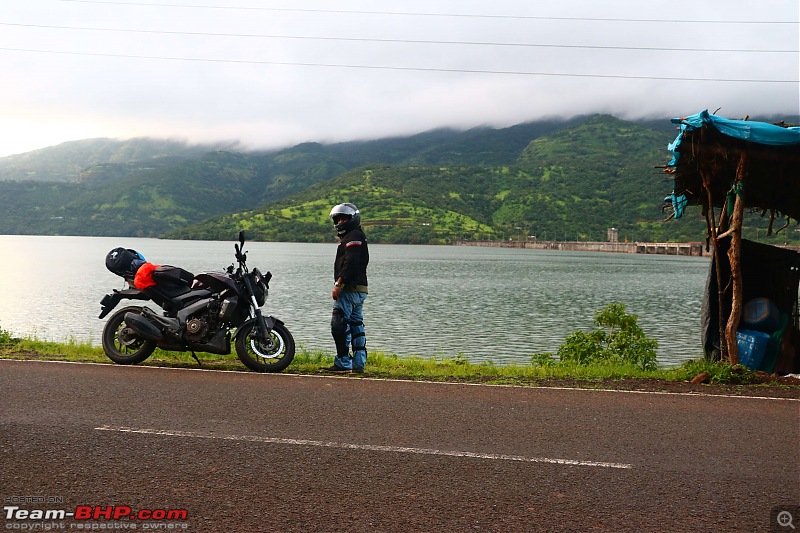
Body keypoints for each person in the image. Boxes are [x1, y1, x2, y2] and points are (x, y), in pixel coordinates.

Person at [322, 203, 369, 374]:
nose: (340, 221)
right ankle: (359, 363)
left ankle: (343, 362)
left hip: (349, 289)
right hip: (359, 288)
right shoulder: (355, 235)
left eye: (344, 218)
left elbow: (350, 262)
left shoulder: (353, 236)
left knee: (339, 324)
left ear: (352, 218)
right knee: (356, 325)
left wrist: (338, 284)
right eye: (338, 218)